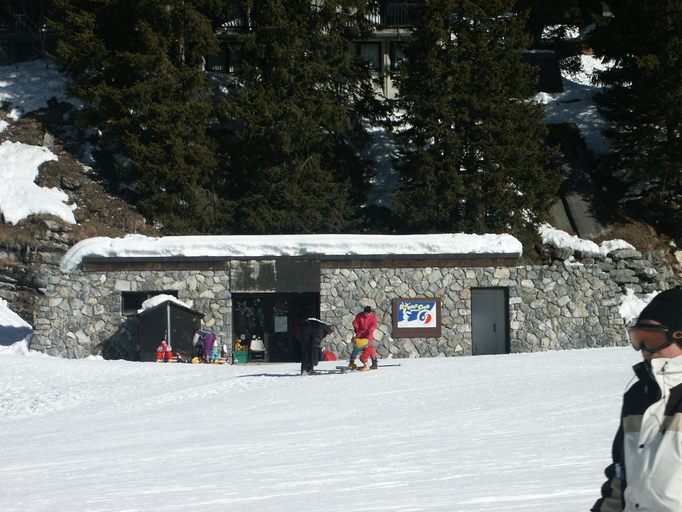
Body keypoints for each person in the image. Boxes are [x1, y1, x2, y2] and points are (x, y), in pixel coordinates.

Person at [592, 287, 682, 512]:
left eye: (652, 338)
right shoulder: (638, 396)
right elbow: (621, 477)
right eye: (638, 338)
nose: (644, 349)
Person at [349, 305, 378, 371]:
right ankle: (351, 363)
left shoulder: (373, 317)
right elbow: (355, 322)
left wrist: (370, 330)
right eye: (365, 313)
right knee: (356, 347)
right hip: (360, 333)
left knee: (369, 348)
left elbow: (374, 325)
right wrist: (356, 328)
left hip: (368, 334)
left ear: (370, 313)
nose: (365, 314)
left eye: (367, 313)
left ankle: (374, 363)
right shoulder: (360, 315)